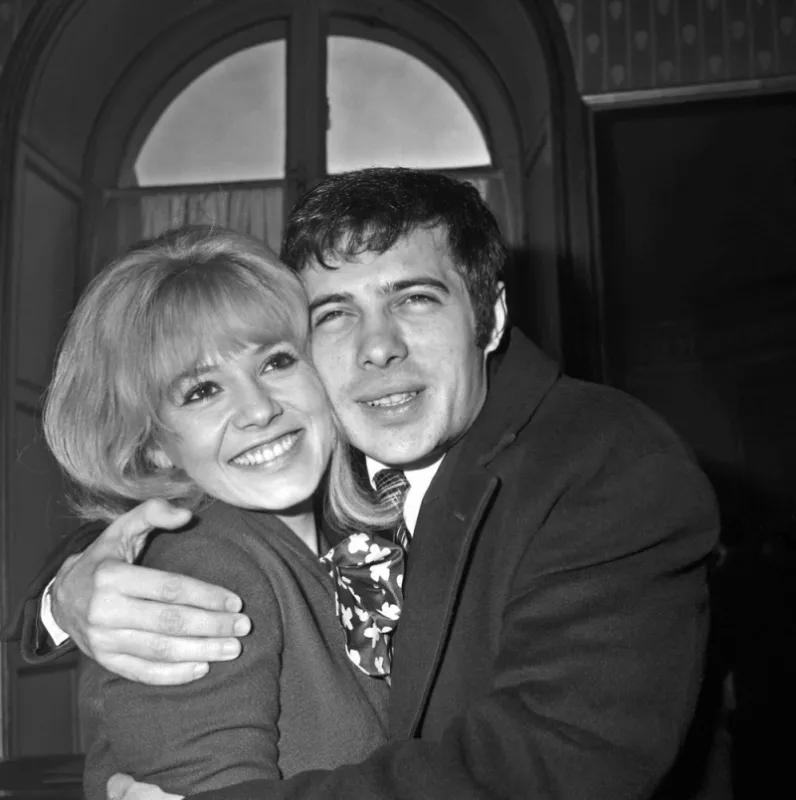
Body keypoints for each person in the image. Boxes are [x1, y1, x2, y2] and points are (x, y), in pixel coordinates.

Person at [3, 168, 720, 799]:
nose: (378, 347)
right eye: (336, 314)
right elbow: (177, 536)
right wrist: (64, 598)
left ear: (491, 316)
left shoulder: (603, 464)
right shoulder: (258, 505)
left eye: (413, 299)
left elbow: (552, 768)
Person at [35, 225, 404, 797]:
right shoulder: (201, 565)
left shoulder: (367, 524)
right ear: (154, 442)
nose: (258, 409)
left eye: (277, 362)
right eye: (202, 391)